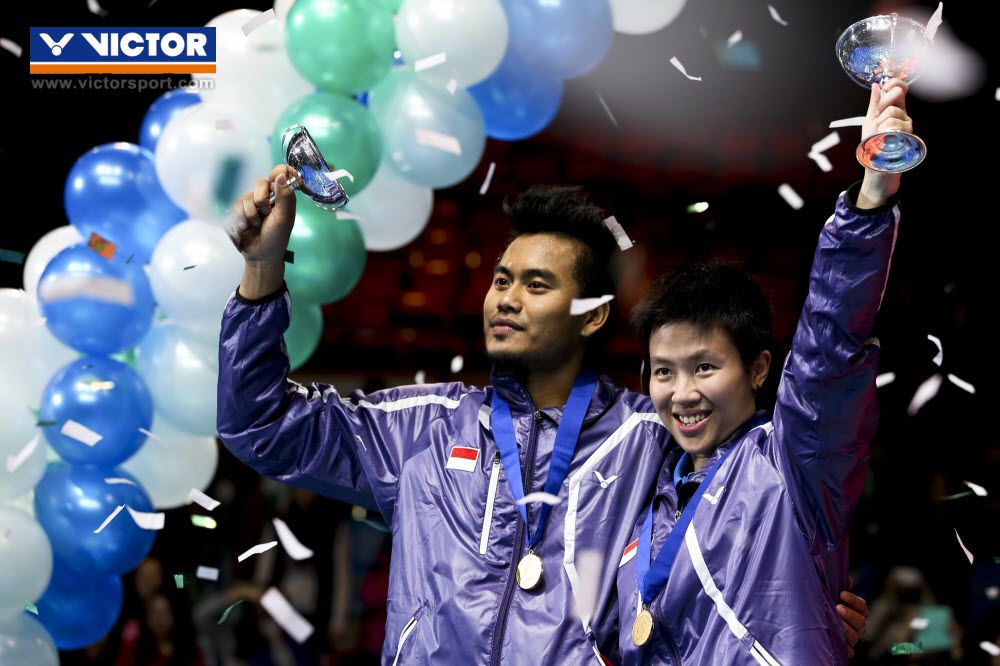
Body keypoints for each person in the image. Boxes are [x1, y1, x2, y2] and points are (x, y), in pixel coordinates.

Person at [219, 174, 868, 661]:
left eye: (536, 285)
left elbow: (740, 521)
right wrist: (260, 267)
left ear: (592, 313)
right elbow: (260, 424)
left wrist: (800, 593)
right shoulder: (422, 429)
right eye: (501, 280)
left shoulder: (651, 437)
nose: (505, 299)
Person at [613, 77, 912, 664]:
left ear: (758, 369)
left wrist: (873, 192)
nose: (682, 394)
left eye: (704, 367)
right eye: (663, 372)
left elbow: (831, 343)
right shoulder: (637, 499)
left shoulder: (795, 465)